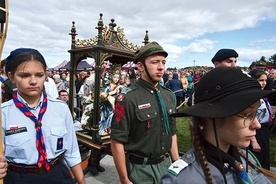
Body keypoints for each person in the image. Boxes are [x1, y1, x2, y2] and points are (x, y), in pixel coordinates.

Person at [161, 67, 275, 184]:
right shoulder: (182, 180)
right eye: (248, 115)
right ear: (212, 117)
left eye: (256, 113)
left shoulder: (246, 158)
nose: (257, 125)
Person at [1, 48, 85, 184]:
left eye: (39, 75)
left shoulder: (61, 108)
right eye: (24, 75)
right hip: (18, 177)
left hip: (58, 174)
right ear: (11, 76)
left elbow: (72, 152)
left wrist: (82, 181)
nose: (33, 81)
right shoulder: (3, 114)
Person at [110, 41, 179, 184]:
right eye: (155, 62)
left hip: (166, 166)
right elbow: (117, 140)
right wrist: (124, 179)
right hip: (141, 170)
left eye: (163, 62)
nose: (161, 67)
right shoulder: (127, 98)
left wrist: (176, 162)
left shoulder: (169, 95)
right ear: (140, 66)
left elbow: (171, 131)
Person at [248, 69, 276, 170]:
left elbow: (263, 113)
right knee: (257, 162)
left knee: (264, 161)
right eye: (260, 80)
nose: (264, 83)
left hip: (264, 129)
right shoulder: (251, 97)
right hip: (255, 132)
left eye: (265, 80)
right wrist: (253, 141)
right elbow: (249, 118)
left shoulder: (262, 95)